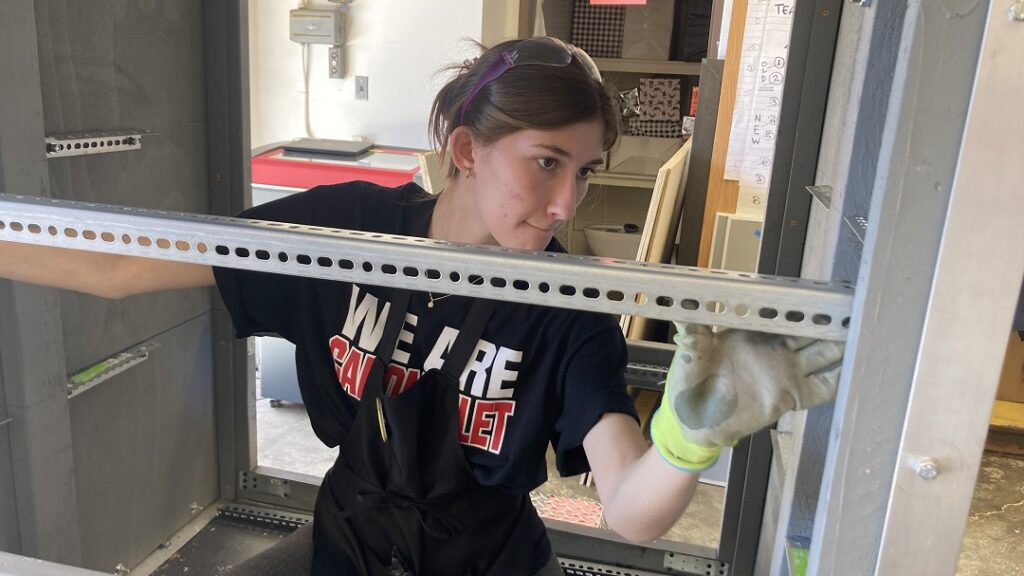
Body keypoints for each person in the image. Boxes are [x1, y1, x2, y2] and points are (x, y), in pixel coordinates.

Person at [0, 37, 842, 576]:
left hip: (489, 565)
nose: (566, 204)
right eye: (547, 163)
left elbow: (628, 509)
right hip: (347, 546)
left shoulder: (565, 305)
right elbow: (120, 266)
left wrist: (691, 438)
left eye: (584, 172)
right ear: (467, 149)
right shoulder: (348, 232)